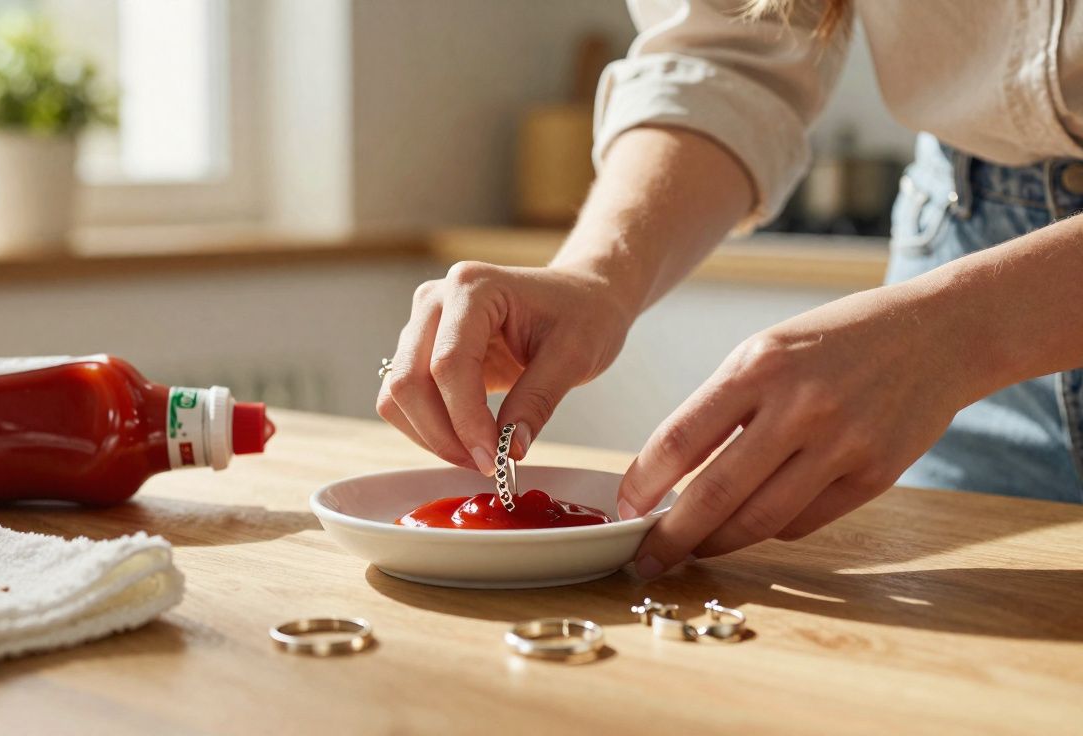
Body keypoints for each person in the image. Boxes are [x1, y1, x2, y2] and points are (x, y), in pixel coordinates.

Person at [375, 0, 1083, 580]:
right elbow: (731, 51)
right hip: (966, 233)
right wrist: (596, 275)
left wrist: (958, 331)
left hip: (968, 308)